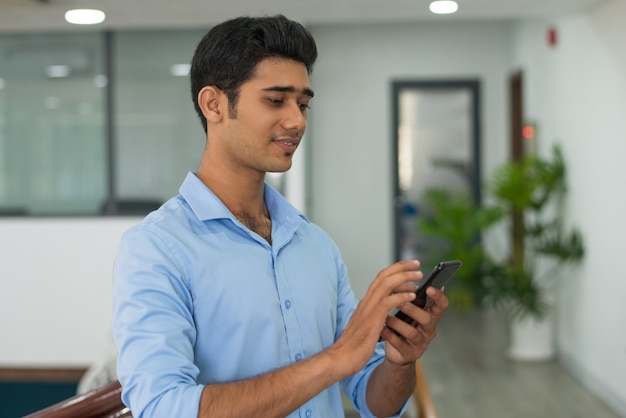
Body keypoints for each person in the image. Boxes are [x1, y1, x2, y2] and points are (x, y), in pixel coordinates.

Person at [112, 14, 449, 418]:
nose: (297, 120)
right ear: (214, 104)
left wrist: (399, 360)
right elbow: (162, 407)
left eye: (303, 103)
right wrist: (334, 359)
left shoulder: (314, 244)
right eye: (276, 100)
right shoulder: (156, 249)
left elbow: (376, 400)